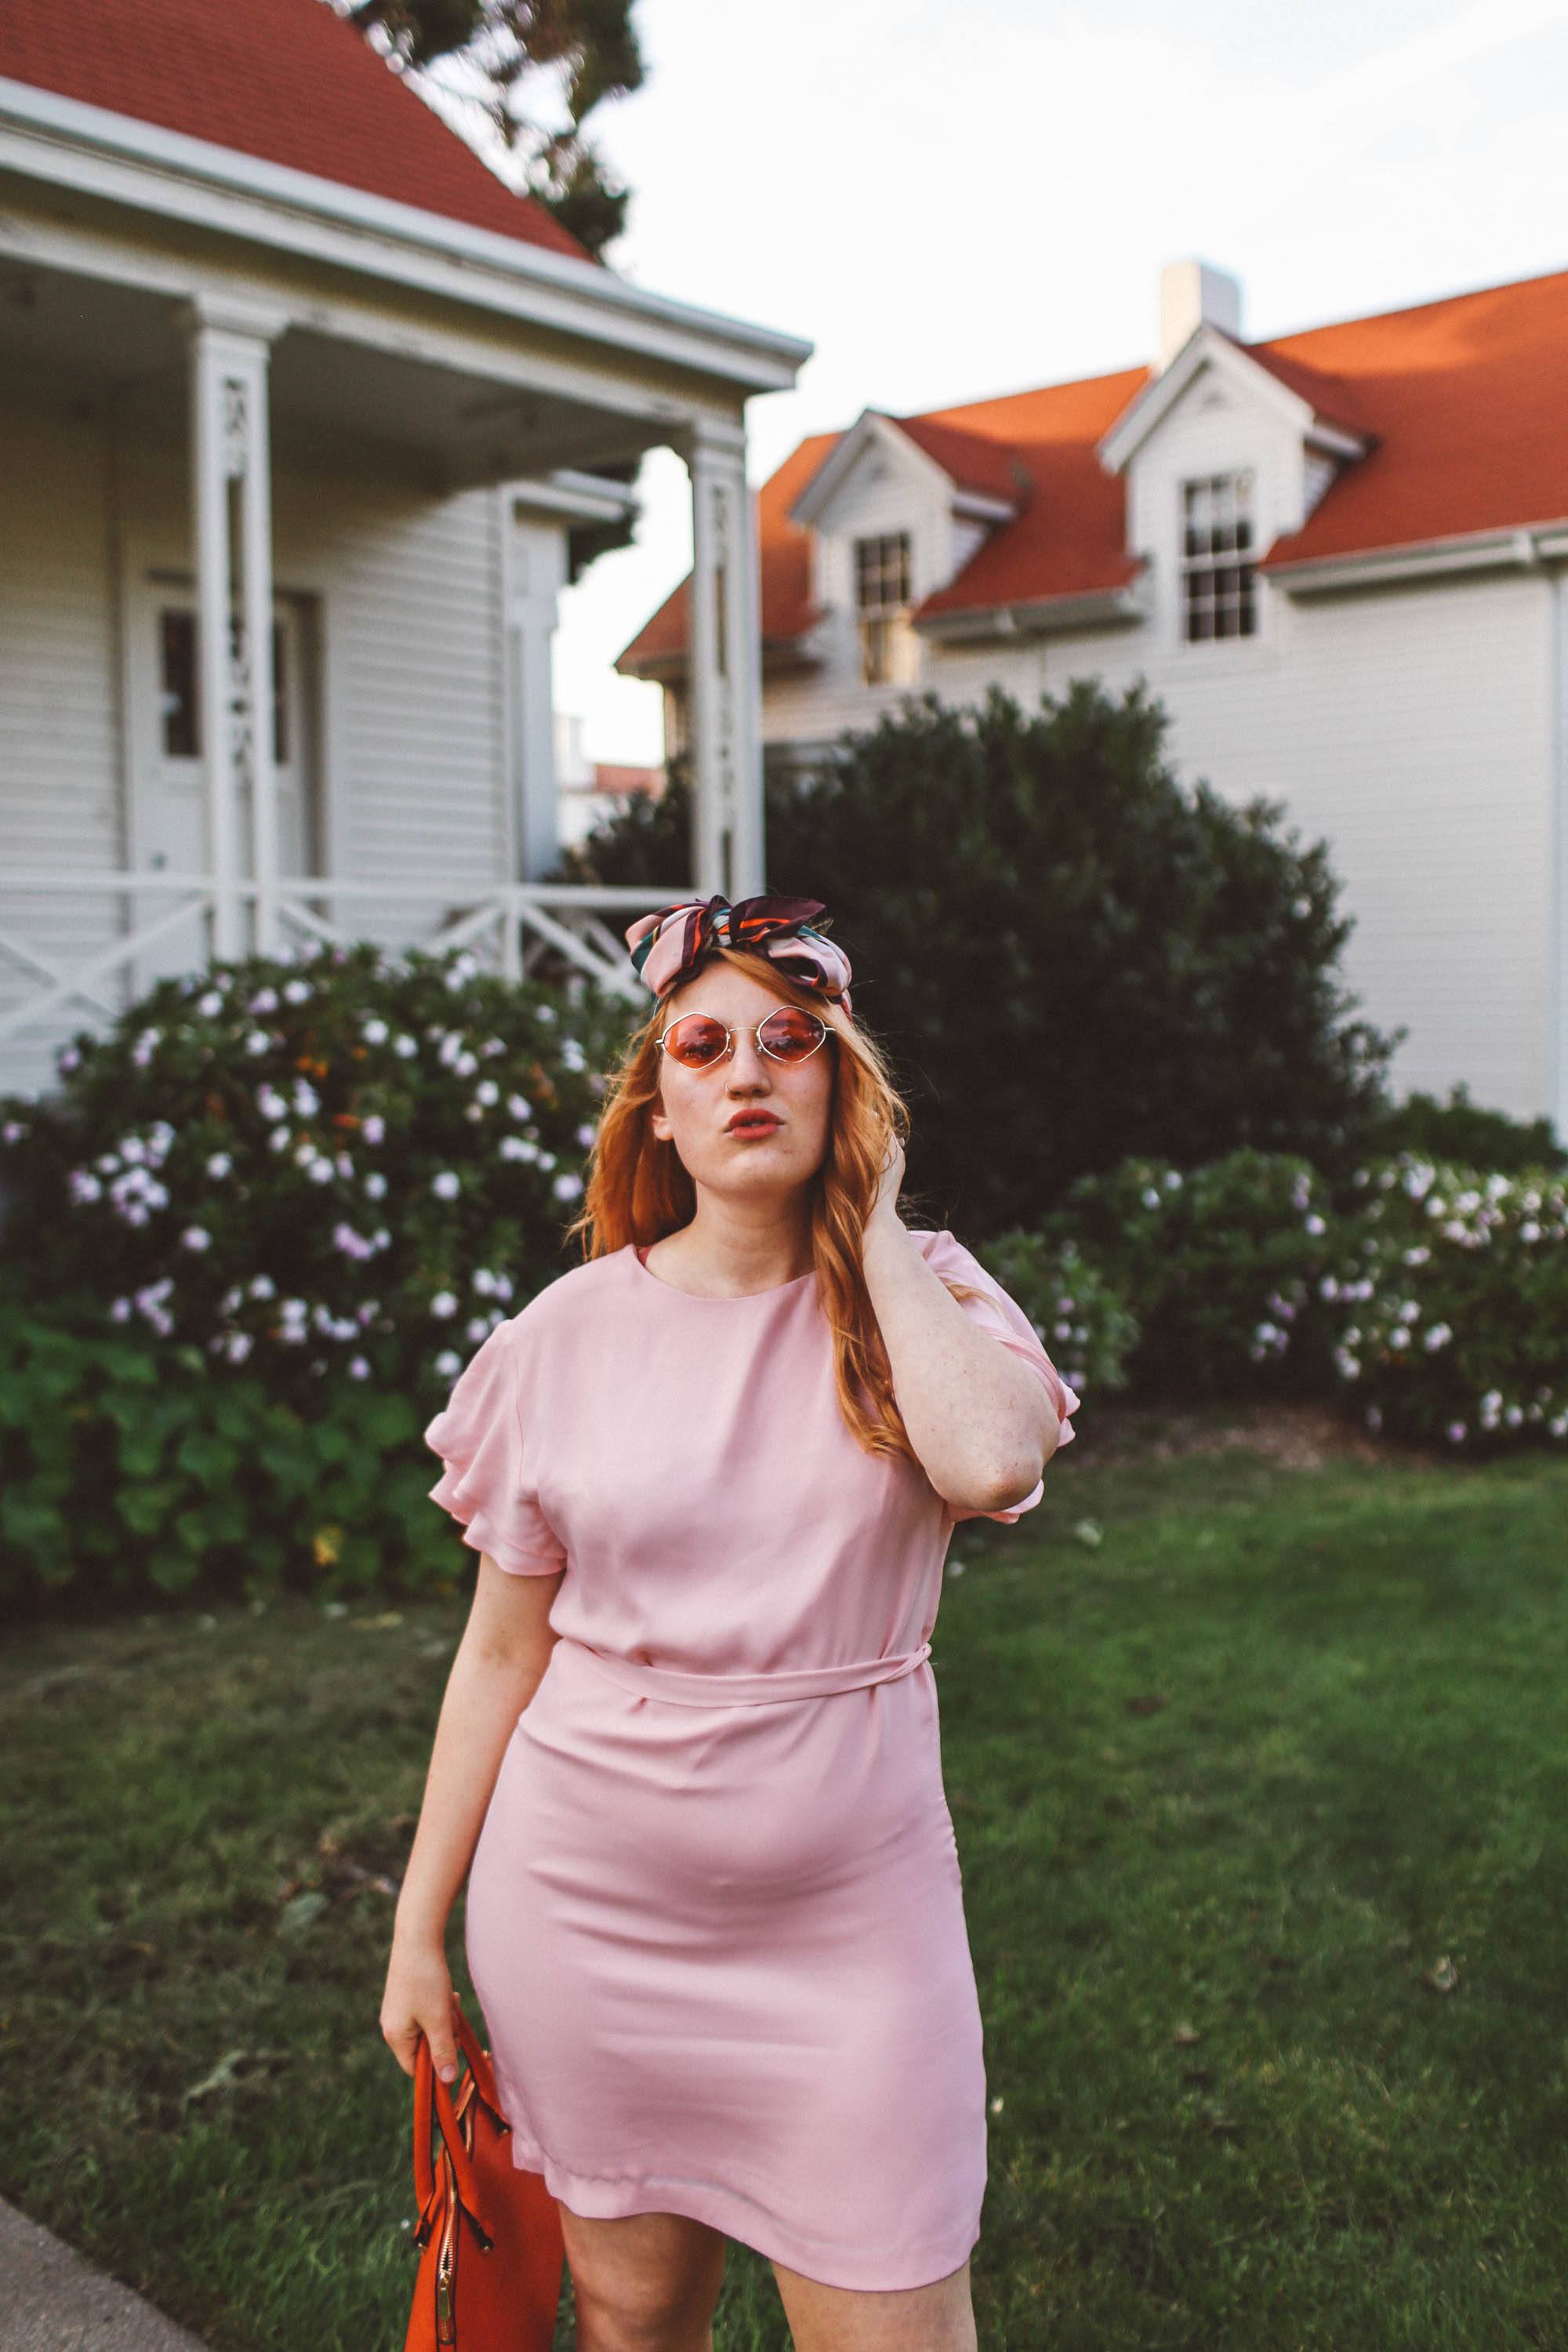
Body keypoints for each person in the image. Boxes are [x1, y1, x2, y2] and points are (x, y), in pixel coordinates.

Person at [379, 891, 1080, 2352]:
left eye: (789, 1041)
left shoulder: (928, 1297)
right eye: (702, 1048)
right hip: (585, 1925)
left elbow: (990, 1463)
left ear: (843, 1084)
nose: (747, 1072)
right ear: (661, 1111)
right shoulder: (561, 1338)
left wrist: (872, 1223)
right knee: (632, 2317)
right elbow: (501, 1651)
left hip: (854, 1935)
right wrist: (415, 1927)